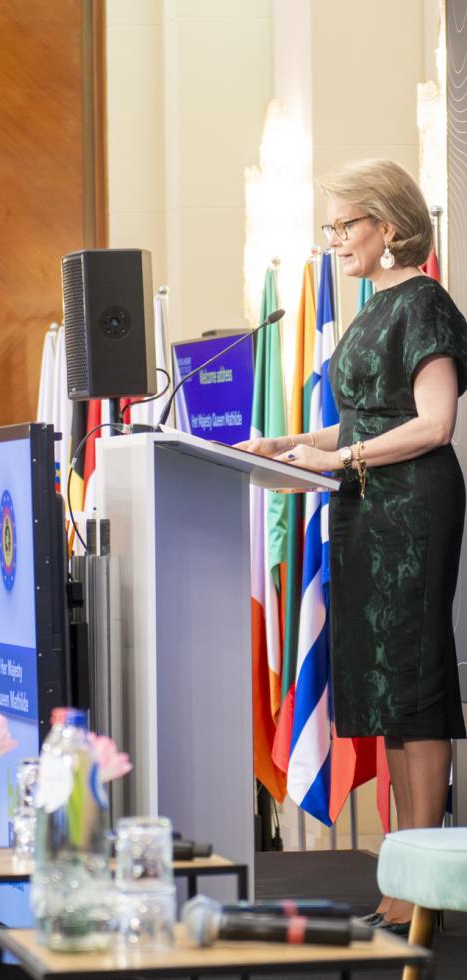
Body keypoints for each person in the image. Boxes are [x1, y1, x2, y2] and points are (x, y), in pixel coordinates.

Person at [237, 158, 467, 933]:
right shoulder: (372, 308)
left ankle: (424, 887)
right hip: (367, 506)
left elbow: (434, 424)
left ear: (390, 225)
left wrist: (336, 461)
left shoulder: (426, 304)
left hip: (412, 512)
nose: (333, 240)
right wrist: (292, 441)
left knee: (417, 684)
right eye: (330, 226)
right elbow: (367, 419)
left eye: (345, 224)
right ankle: (402, 881)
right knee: (389, 695)